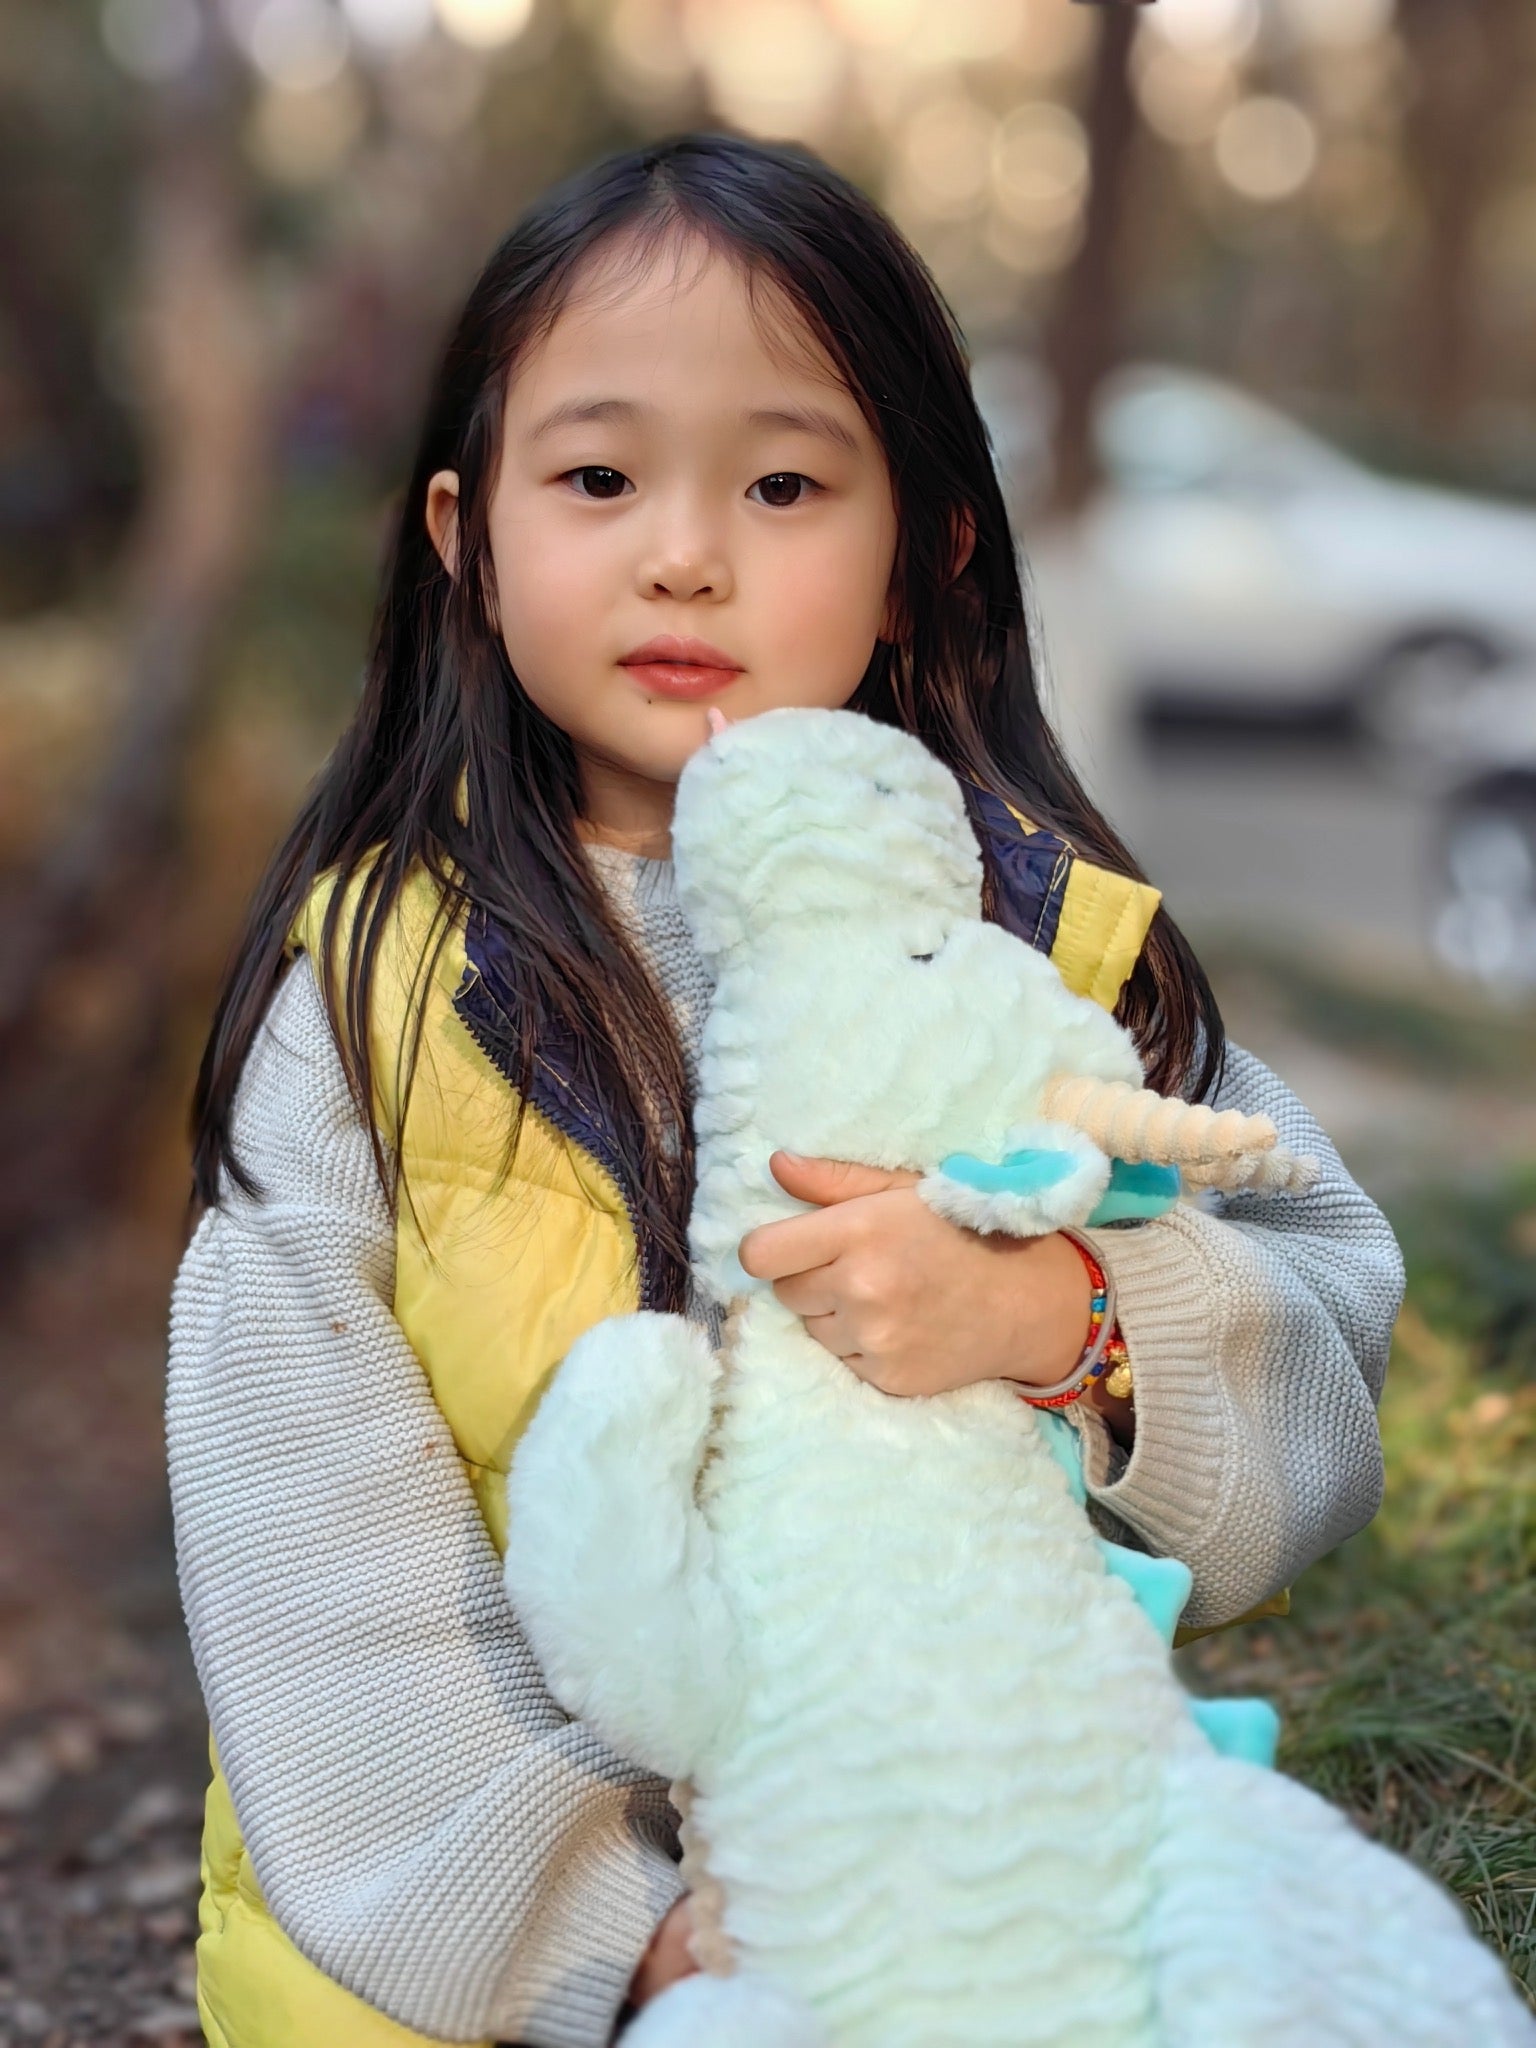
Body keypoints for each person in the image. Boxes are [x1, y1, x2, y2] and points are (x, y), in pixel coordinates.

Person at [166, 133, 1404, 2048]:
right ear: (462, 539)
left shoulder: (1039, 957)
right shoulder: (370, 1005)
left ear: (925, 552)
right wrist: (628, 1945)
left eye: (782, 482)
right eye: (595, 477)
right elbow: (313, 1555)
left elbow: (1325, 1373)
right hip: (468, 1985)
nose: (685, 548)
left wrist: (1072, 1321)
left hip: (964, 1912)